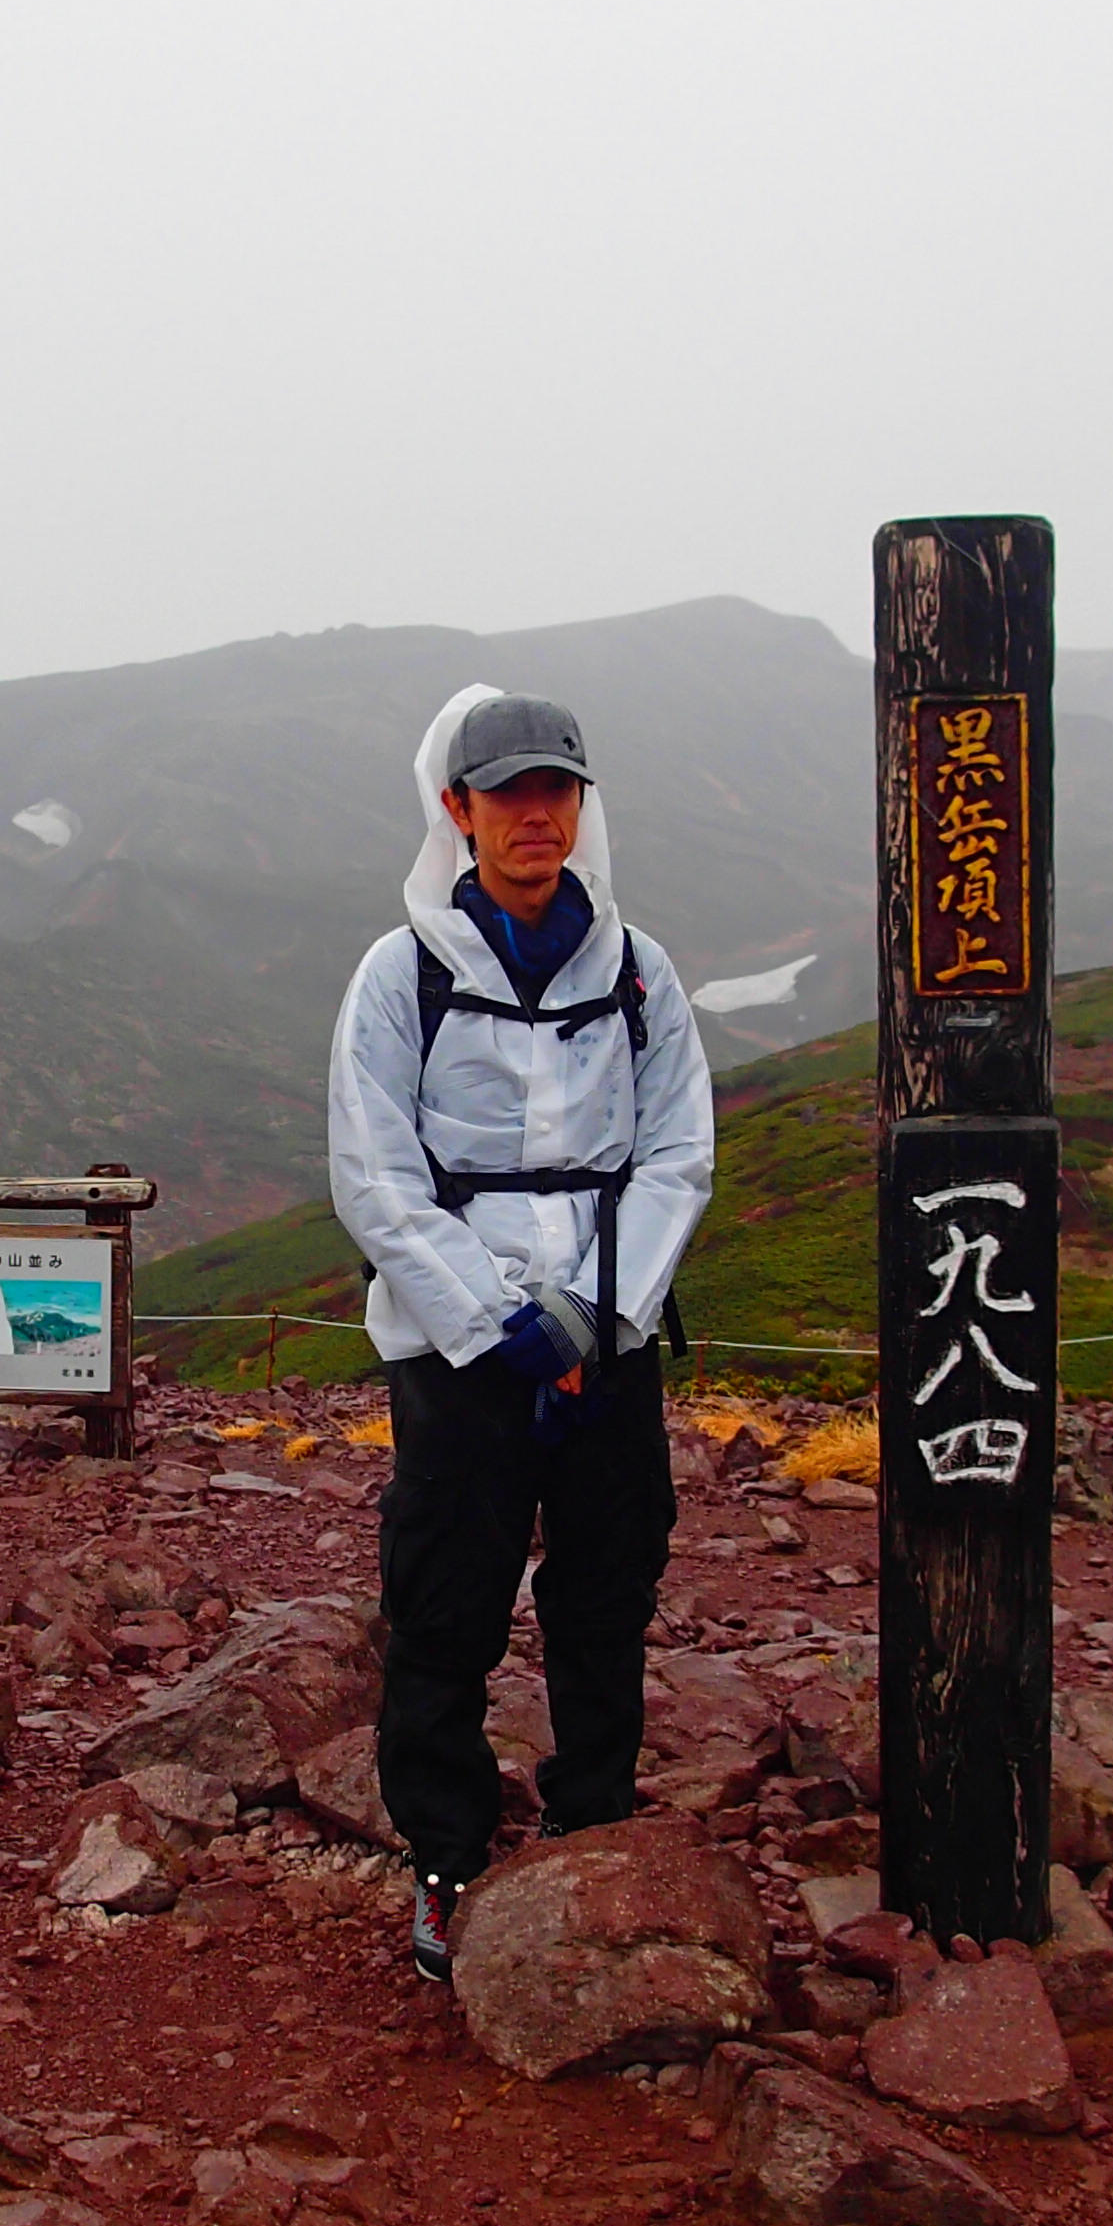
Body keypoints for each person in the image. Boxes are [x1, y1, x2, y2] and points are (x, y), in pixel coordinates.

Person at [325, 684, 717, 1982]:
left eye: (557, 791)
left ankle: (593, 1817)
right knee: (448, 1591)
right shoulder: (404, 975)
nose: (535, 815)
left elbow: (675, 1153)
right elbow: (375, 1174)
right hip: (460, 1348)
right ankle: (446, 1860)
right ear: (459, 810)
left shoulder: (639, 971)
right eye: (508, 795)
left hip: (610, 1327)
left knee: (610, 1580)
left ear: (581, 807)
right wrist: (495, 1322)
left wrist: (604, 1313)